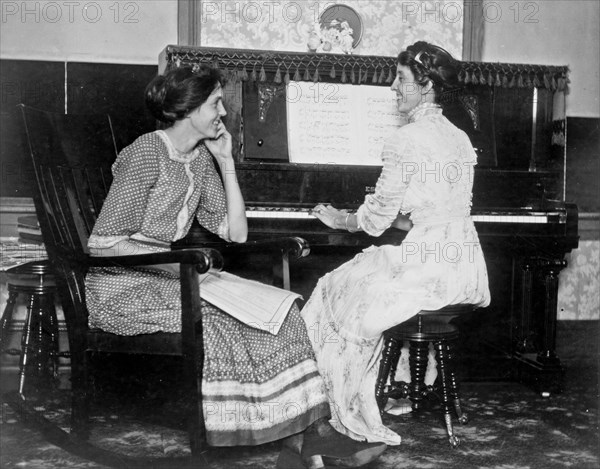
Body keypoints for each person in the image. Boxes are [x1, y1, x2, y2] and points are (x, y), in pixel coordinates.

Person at [85, 65, 386, 468]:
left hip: (171, 276)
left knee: (283, 311)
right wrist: (179, 268)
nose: (223, 112)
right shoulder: (146, 151)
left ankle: (309, 438)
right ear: (188, 108)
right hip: (121, 289)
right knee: (223, 318)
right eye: (214, 103)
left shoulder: (195, 158)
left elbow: (237, 233)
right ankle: (268, 435)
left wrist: (225, 161)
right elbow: (102, 245)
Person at [301, 41, 491, 446]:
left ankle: (327, 398)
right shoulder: (459, 138)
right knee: (373, 273)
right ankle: (401, 385)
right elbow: (433, 208)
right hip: (463, 263)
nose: (392, 87)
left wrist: (341, 219)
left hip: (430, 265)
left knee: (338, 284)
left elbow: (376, 220)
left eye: (400, 78)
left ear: (426, 87)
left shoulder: (405, 139)